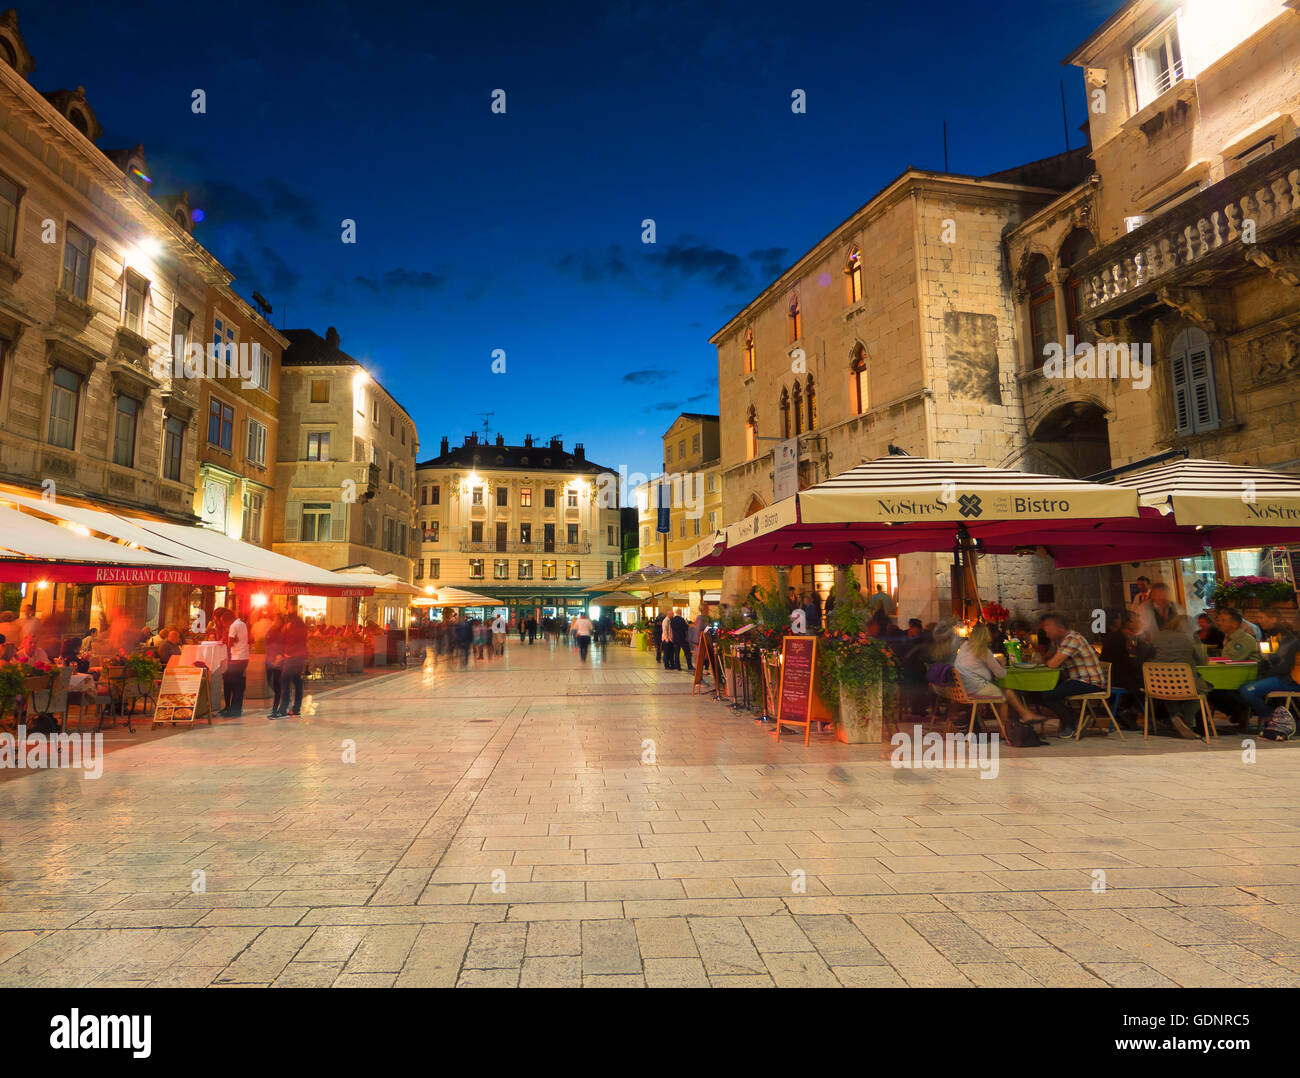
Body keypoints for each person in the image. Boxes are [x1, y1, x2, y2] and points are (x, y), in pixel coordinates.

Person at [954, 622, 1052, 732]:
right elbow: (1001, 674)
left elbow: (976, 666)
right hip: (975, 688)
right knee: (1005, 695)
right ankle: (1006, 730)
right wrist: (1003, 663)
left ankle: (1024, 715)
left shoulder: (965, 646)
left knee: (1005, 691)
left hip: (962, 688)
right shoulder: (984, 651)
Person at [1037, 613, 1108, 738]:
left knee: (1048, 695)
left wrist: (1044, 660)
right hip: (1077, 680)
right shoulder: (1060, 641)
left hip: (1089, 681)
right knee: (1039, 692)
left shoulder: (1072, 638)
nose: (1045, 630)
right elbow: (1047, 659)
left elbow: (1053, 664)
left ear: (1060, 628)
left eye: (1048, 626)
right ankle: (1075, 718)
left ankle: (1071, 722)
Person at [1150, 614, 1210, 739]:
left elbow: (1148, 655)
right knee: (1203, 689)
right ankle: (1187, 721)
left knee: (1167, 690)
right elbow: (1202, 661)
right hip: (1185, 681)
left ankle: (1176, 715)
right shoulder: (1191, 637)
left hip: (1158, 683)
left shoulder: (1156, 636)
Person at [1239, 605, 1300, 727]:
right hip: (1280, 676)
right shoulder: (1269, 637)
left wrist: (1264, 676)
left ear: (1273, 619)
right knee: (1244, 687)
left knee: (1248, 690)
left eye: (1262, 617)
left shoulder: (1289, 638)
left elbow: (1285, 666)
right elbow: (1266, 658)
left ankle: (1273, 718)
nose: (1259, 621)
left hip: (1290, 679)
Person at [1098, 610, 1151, 728]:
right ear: (1129, 623)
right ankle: (1128, 711)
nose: (1140, 622)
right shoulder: (1124, 639)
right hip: (1119, 678)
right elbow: (1132, 663)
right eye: (1137, 619)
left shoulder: (1114, 636)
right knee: (1151, 685)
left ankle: (1126, 711)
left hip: (1111, 677)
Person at [276, 612, 308, 717]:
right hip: (300, 657)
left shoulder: (291, 628)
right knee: (297, 682)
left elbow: (285, 640)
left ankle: (283, 709)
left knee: (285, 681)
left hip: (291, 657)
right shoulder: (302, 628)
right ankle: (296, 708)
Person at [221, 609, 250, 718]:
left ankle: (234, 710)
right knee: (239, 684)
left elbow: (230, 643)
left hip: (236, 657)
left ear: (227, 620)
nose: (224, 625)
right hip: (244, 657)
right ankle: (237, 708)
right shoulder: (242, 624)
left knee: (234, 684)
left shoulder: (233, 626)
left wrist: (227, 640)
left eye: (223, 623)